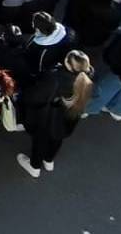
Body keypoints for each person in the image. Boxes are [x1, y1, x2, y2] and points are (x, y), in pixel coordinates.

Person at [16, 49, 93, 177]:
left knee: (40, 141)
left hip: (49, 118)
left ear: (67, 64)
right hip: (69, 119)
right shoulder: (87, 77)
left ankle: (34, 166)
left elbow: (34, 97)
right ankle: (49, 160)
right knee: (57, 138)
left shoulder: (55, 79)